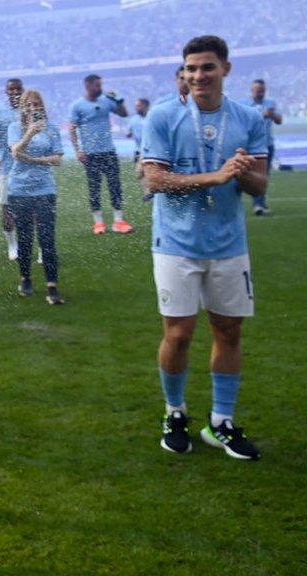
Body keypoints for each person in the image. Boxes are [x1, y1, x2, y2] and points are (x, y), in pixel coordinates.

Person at [141, 35, 268, 460]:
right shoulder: (163, 115)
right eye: (191, 68)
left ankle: (221, 422)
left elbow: (259, 184)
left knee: (228, 331)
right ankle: (174, 413)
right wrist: (215, 177)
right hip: (175, 243)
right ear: (183, 72)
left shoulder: (248, 118)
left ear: (225, 69)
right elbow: (154, 180)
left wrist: (242, 171)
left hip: (229, 243)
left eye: (207, 67)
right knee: (178, 334)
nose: (199, 75)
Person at [7, 90, 65, 305]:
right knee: (24, 237)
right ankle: (25, 278)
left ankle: (52, 286)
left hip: (45, 189)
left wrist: (33, 160)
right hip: (19, 189)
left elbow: (57, 159)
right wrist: (29, 133)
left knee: (47, 238)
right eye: (28, 105)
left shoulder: (52, 128)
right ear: (23, 108)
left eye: (36, 104)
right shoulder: (15, 127)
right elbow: (15, 152)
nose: (32, 108)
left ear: (42, 106)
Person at [69, 74, 133, 235]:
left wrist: (119, 100)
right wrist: (78, 150)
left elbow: (124, 114)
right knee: (94, 189)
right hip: (90, 154)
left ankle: (118, 221)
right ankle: (98, 223)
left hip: (109, 151)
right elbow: (72, 129)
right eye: (97, 85)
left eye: (100, 85)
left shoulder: (106, 101)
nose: (100, 88)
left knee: (115, 186)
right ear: (88, 86)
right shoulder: (77, 106)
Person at [0, 78, 24, 260]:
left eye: (18, 89)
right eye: (11, 89)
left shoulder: (30, 108)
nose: (15, 92)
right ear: (6, 91)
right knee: (6, 206)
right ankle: (12, 246)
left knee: (33, 206)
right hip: (6, 166)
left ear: (22, 90)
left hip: (28, 164)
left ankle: (40, 247)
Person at [242, 79, 282, 216]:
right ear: (252, 90)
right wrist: (261, 115)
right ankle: (258, 203)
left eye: (262, 91)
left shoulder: (270, 103)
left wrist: (273, 115)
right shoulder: (244, 105)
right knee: (253, 174)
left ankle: (260, 203)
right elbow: (243, 123)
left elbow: (279, 120)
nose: (260, 93)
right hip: (251, 146)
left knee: (265, 175)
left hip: (267, 144)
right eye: (258, 91)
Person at [127, 98, 150, 192]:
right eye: (136, 106)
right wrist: (129, 133)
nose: (136, 108)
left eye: (139, 106)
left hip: (151, 149)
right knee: (139, 173)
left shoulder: (152, 117)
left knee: (150, 172)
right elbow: (129, 132)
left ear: (145, 106)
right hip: (138, 150)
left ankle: (151, 192)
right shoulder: (133, 119)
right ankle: (148, 193)